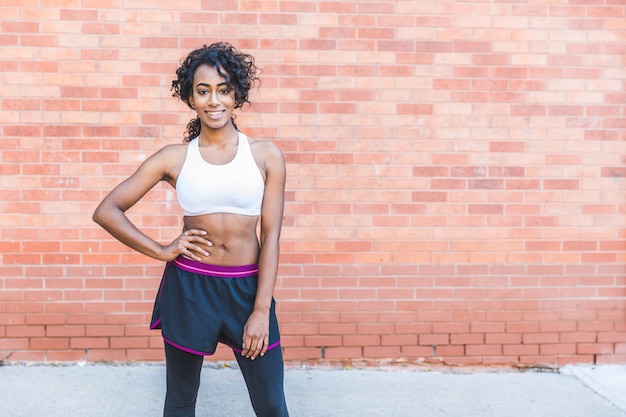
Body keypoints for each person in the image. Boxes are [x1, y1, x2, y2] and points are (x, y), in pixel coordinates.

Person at [93, 42, 289, 417]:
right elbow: (107, 210)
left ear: (237, 95)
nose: (214, 100)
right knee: (181, 402)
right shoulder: (175, 157)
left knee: (271, 405)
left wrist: (261, 309)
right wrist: (161, 250)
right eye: (203, 91)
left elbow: (272, 237)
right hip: (190, 288)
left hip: (248, 290)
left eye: (223, 89)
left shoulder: (265, 156)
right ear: (190, 98)